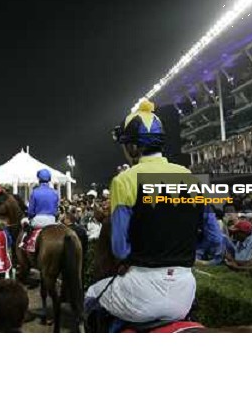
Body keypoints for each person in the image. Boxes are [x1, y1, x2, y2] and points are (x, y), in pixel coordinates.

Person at [85, 99, 203, 325]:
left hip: (142, 290)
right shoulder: (189, 176)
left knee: (90, 296)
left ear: (133, 147)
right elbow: (212, 241)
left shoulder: (123, 180)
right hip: (185, 290)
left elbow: (119, 249)